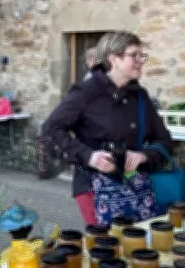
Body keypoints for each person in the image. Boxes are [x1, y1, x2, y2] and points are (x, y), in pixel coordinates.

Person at [42, 31, 174, 225]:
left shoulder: (140, 96)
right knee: (107, 250)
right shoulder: (86, 92)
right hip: (92, 187)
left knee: (138, 248)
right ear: (114, 59)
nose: (140, 61)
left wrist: (143, 156)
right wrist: (89, 156)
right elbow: (51, 128)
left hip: (136, 188)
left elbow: (164, 140)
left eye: (142, 55)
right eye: (133, 55)